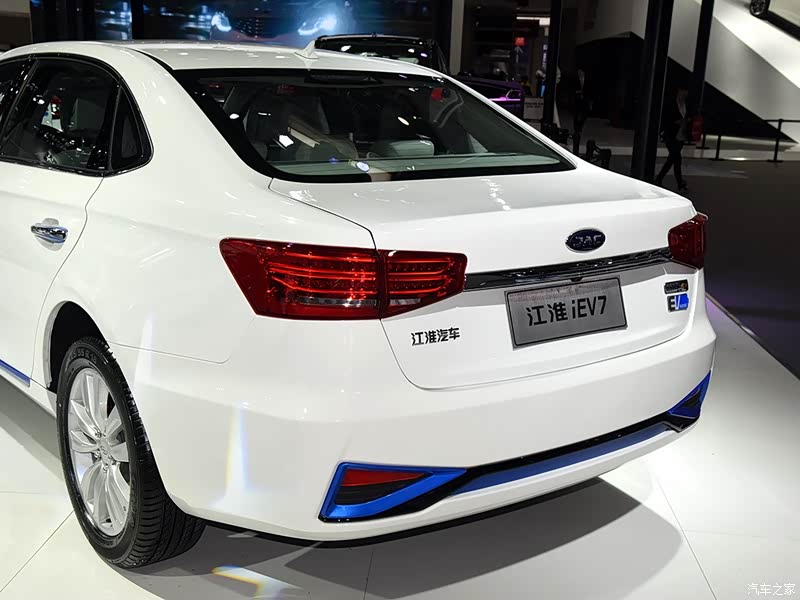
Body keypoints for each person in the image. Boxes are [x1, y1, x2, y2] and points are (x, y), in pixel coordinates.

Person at [656, 86, 691, 190]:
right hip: (671, 135)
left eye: (686, 92)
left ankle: (677, 182)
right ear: (678, 91)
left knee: (675, 159)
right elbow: (666, 119)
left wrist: (686, 121)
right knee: (674, 158)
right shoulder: (671, 104)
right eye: (683, 91)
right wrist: (676, 122)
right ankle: (662, 179)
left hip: (680, 135)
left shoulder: (685, 104)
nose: (684, 94)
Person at [573, 68, 592, 138]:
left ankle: (580, 127)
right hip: (577, 99)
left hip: (584, 99)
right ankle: (576, 128)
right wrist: (577, 92)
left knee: (584, 114)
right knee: (576, 114)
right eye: (579, 72)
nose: (580, 73)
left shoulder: (587, 80)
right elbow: (573, 89)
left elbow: (589, 89)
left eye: (581, 72)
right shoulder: (575, 79)